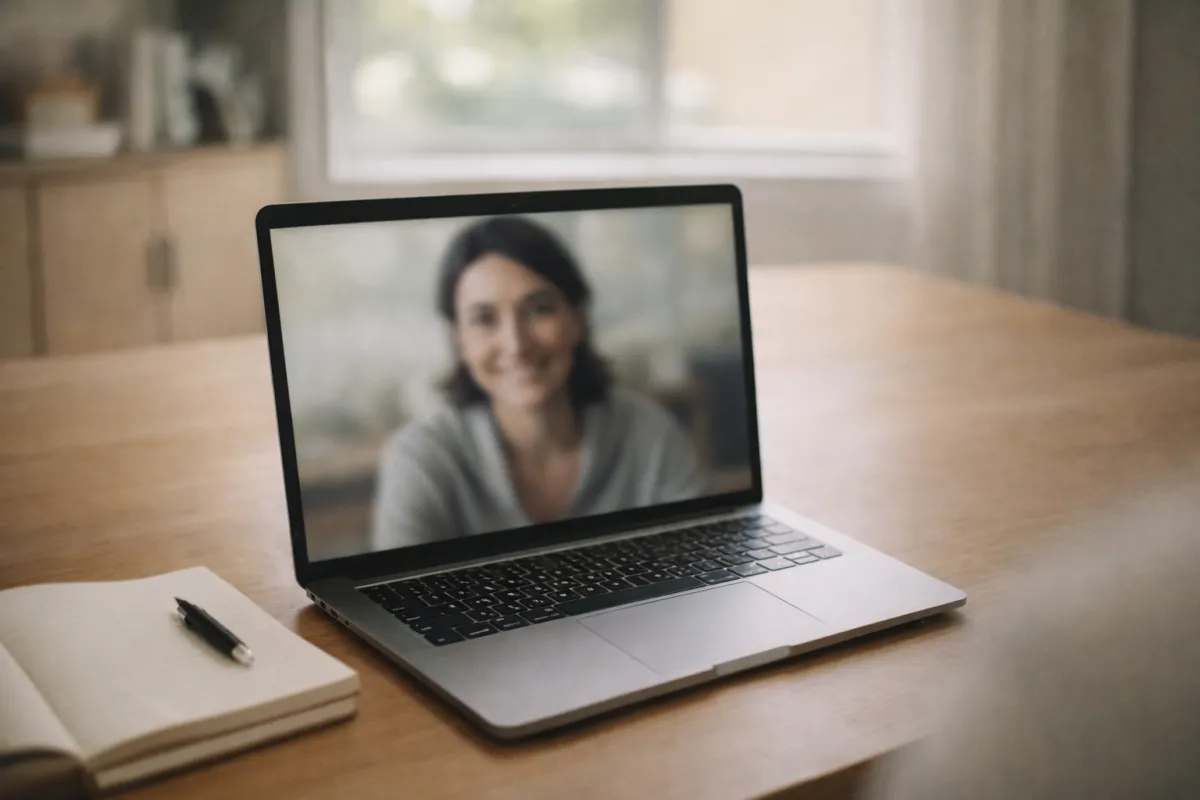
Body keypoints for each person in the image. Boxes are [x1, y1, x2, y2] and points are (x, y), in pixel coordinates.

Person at [370, 215, 707, 549]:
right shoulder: (420, 459)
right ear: (459, 341)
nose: (516, 345)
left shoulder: (650, 435)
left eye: (539, 309)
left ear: (577, 318)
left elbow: (697, 563)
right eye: (484, 319)